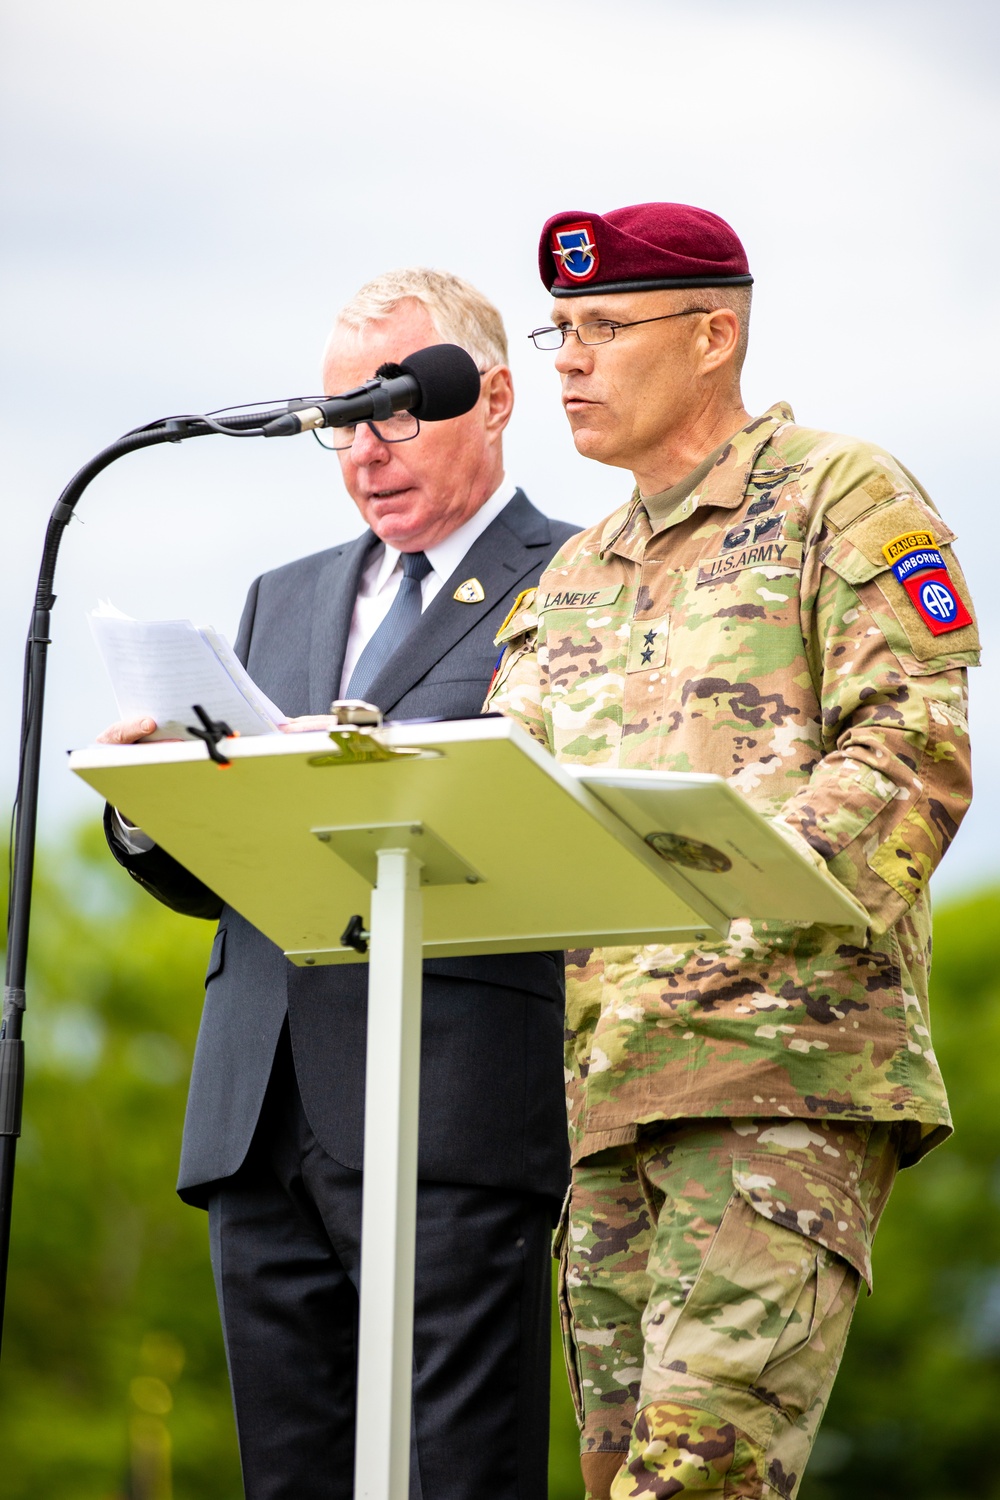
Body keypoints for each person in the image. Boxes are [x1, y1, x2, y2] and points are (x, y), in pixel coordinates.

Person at [487, 204, 980, 1500]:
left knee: (698, 1488)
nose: (571, 363)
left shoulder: (841, 494)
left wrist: (737, 897)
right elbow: (503, 793)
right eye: (561, 332)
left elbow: (914, 747)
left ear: (715, 334)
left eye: (604, 329)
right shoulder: (579, 571)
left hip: (779, 1076)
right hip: (609, 1099)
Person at [100, 268, 579, 1500]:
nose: (364, 451)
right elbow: (246, 868)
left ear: (496, 399)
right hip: (259, 1111)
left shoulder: (580, 581)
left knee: (452, 1475)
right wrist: (155, 813)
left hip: (451, 1105)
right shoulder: (285, 594)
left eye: (394, 410)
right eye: (339, 421)